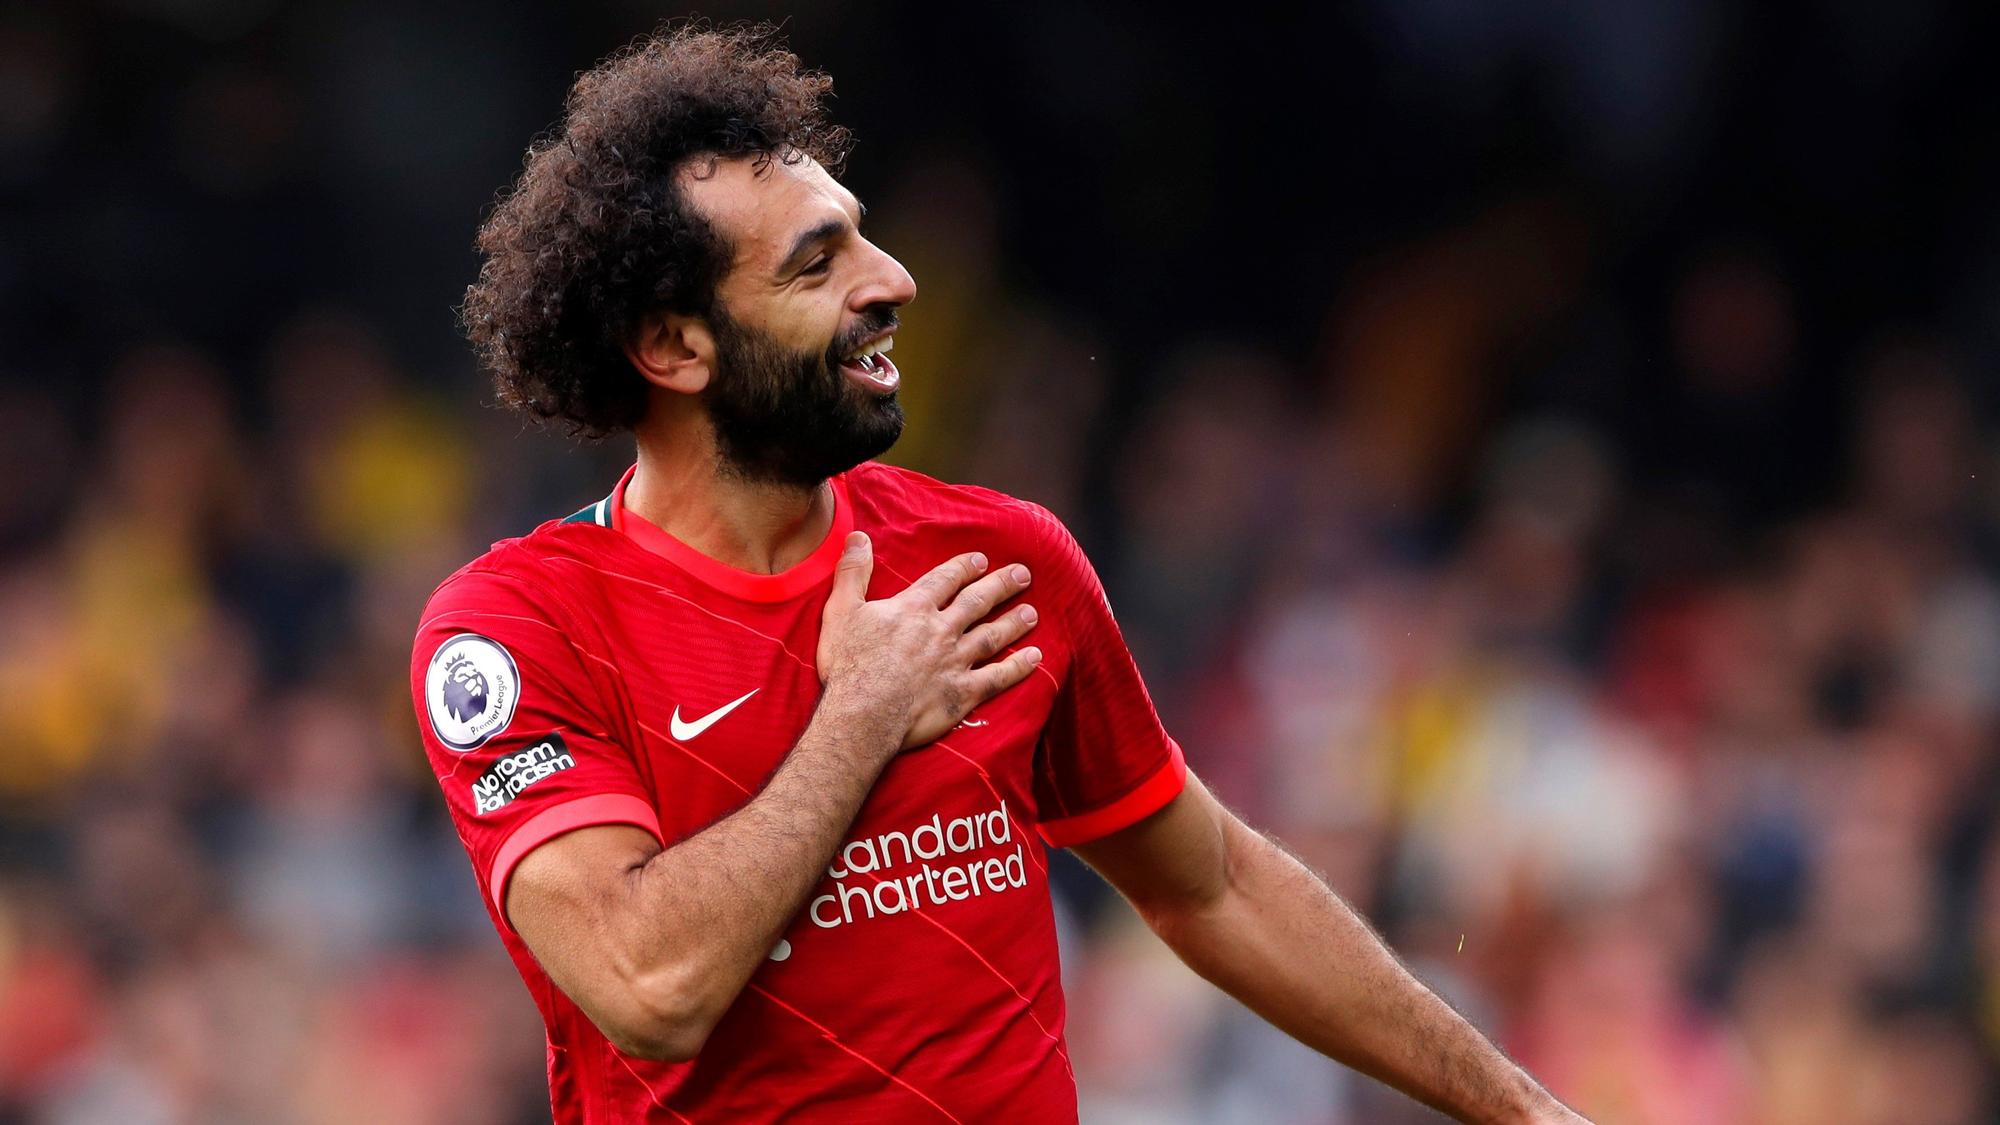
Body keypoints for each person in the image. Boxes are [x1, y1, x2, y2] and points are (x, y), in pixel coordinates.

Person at [414, 23, 1590, 1124]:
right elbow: (646, 985)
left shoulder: (997, 559)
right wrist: (859, 720)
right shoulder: (517, 628)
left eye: (861, 233)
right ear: (673, 346)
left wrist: (1521, 1110)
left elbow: (1210, 887)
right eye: (816, 263)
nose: (892, 281)